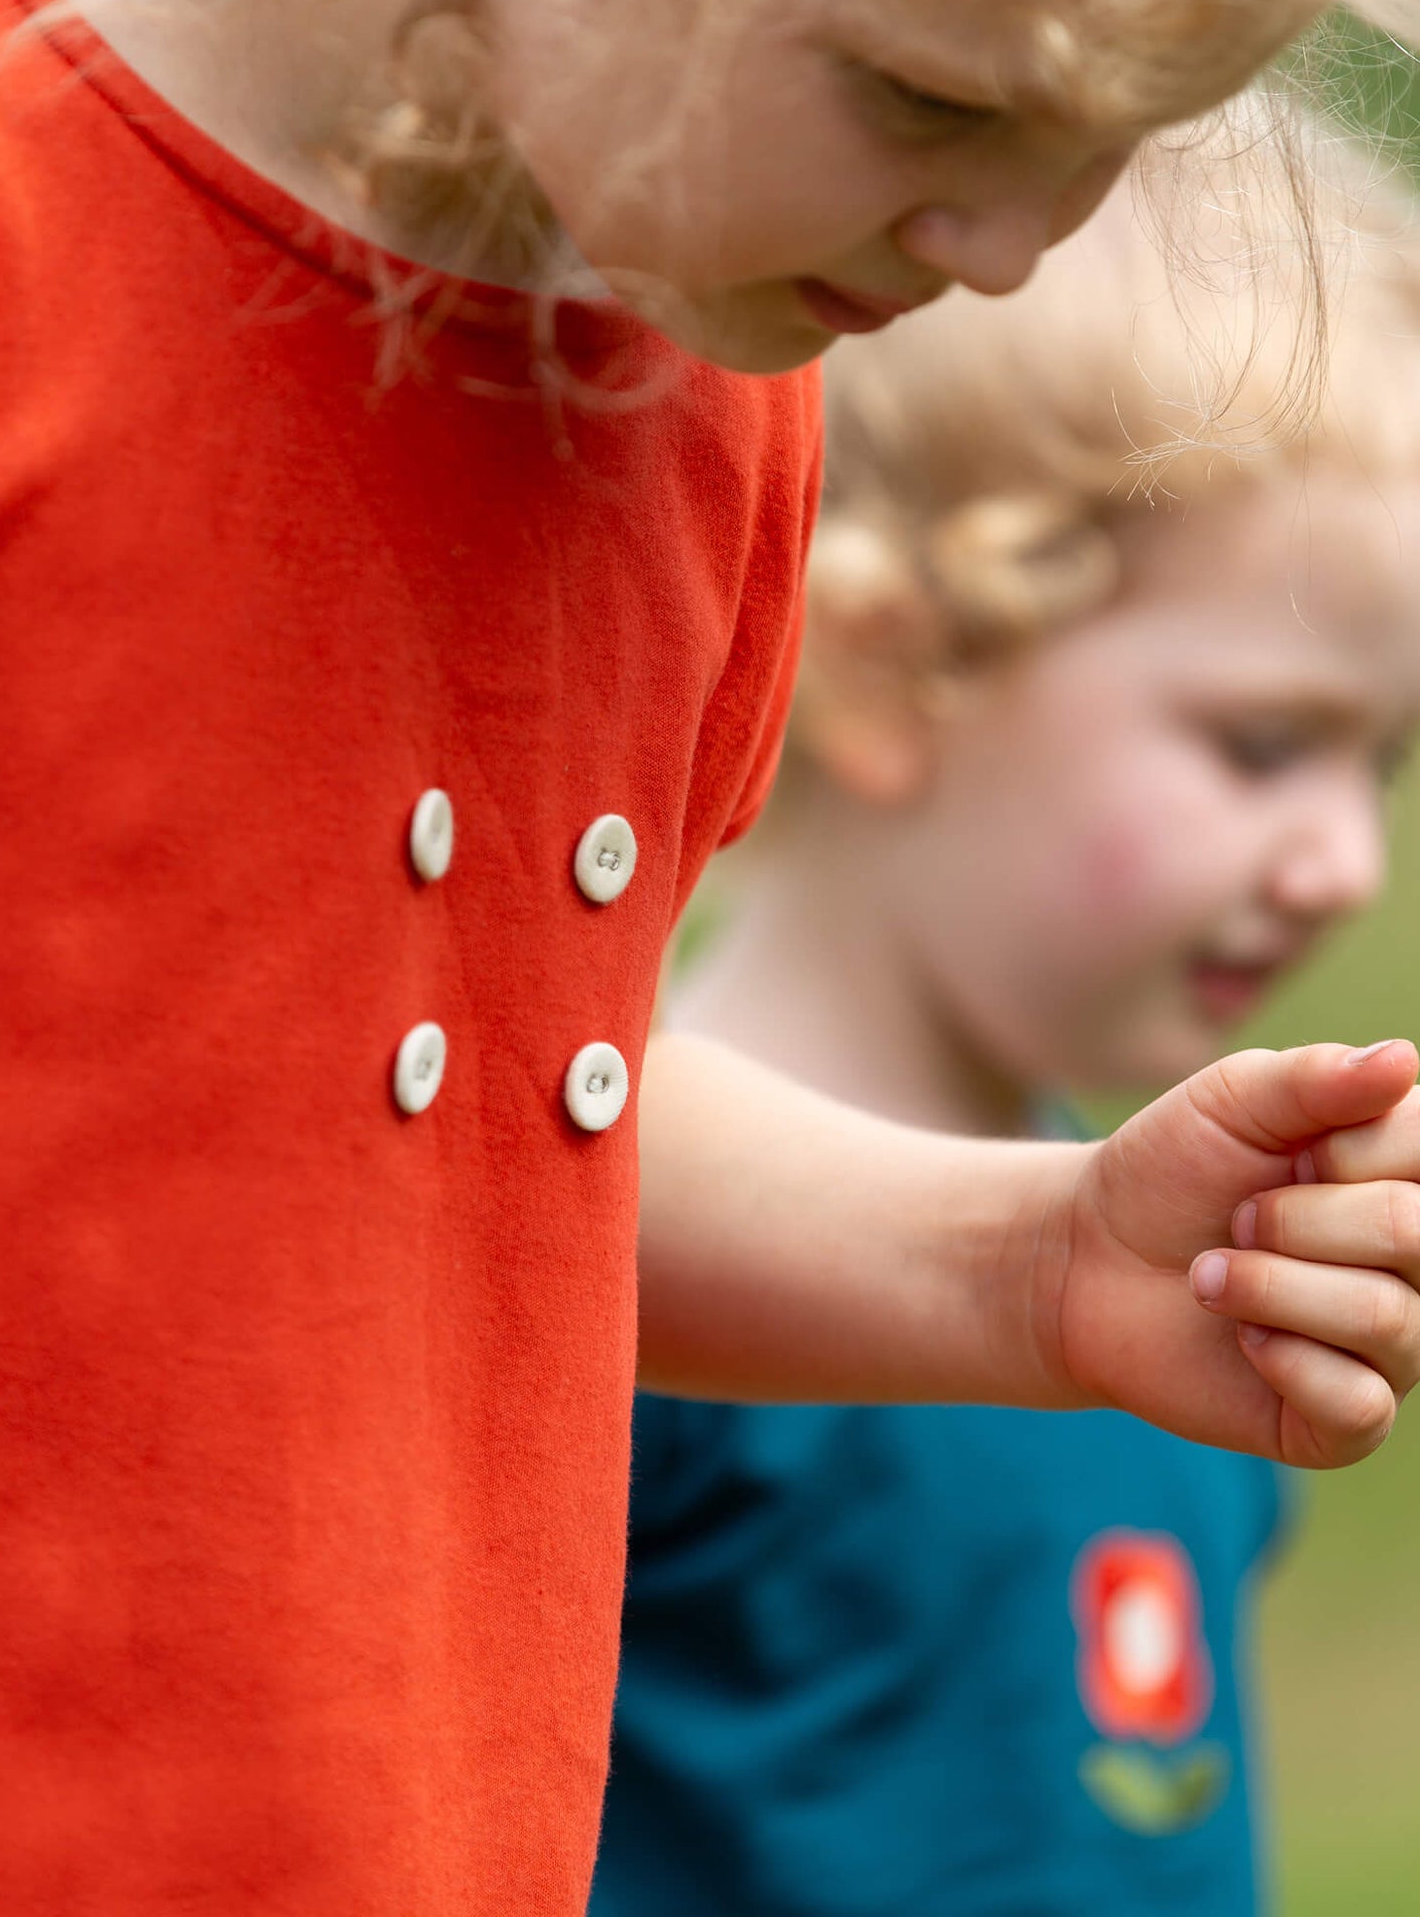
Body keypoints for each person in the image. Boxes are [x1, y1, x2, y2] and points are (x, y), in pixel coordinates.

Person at [0, 0, 1419, 1910]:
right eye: (926, 104)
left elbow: (475, 1116)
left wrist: (1020, 1262)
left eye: (1109, 151)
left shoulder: (698, 399)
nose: (1007, 253)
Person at [592, 125, 1420, 1917]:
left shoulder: (1184, 1251)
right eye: (1259, 745)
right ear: (899, 670)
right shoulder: (651, 1246)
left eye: (1385, 762)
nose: (1344, 861)